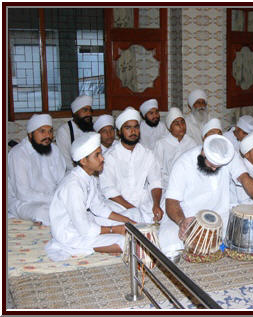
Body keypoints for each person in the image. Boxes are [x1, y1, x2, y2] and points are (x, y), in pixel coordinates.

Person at [158, 134, 253, 258]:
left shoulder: (229, 155)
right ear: (203, 152)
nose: (214, 169)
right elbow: (171, 201)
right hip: (187, 216)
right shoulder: (183, 163)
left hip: (220, 216)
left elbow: (245, 178)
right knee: (170, 241)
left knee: (248, 235)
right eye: (211, 165)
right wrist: (182, 221)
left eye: (218, 167)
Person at [45, 132, 143, 261]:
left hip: (84, 223)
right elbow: (84, 228)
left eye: (101, 153)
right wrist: (115, 230)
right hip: (70, 233)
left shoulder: (89, 177)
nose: (102, 158)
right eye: (97, 155)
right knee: (126, 242)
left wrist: (127, 221)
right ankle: (79, 247)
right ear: (83, 160)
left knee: (133, 215)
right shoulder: (73, 186)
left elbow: (99, 208)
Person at [99, 107, 164, 224]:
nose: (133, 132)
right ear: (119, 132)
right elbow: (108, 190)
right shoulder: (109, 156)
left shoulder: (147, 153)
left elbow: (155, 182)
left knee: (167, 204)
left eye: (136, 127)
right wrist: (132, 209)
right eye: (128, 128)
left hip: (143, 203)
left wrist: (156, 204)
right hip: (118, 206)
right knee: (102, 216)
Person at [8, 114, 66, 225]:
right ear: (30, 135)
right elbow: (23, 194)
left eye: (50, 131)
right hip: (23, 202)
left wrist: (63, 197)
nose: (47, 136)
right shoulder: (18, 154)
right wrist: (55, 200)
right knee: (44, 212)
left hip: (52, 199)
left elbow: (61, 180)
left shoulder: (54, 150)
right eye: (42, 131)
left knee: (73, 205)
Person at [153, 107, 196, 189]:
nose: (181, 126)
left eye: (183, 122)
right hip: (166, 186)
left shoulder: (191, 142)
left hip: (188, 185)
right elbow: (156, 171)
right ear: (170, 127)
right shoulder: (161, 144)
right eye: (176, 124)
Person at [56, 95, 94, 170]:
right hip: (73, 174)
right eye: (85, 110)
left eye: (90, 110)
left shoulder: (91, 129)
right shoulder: (64, 131)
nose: (89, 114)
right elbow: (65, 161)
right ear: (75, 113)